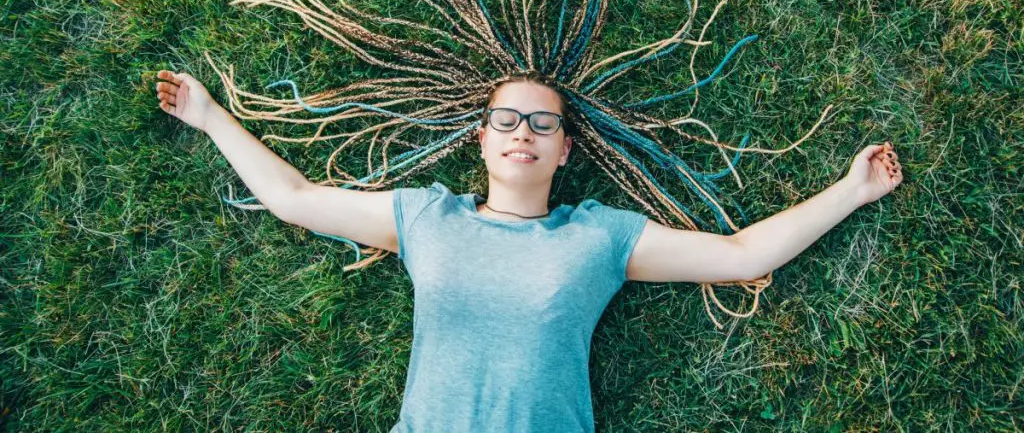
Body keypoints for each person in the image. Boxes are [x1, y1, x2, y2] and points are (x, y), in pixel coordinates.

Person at [154, 67, 903, 432]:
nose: (522, 132)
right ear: (480, 139)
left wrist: (850, 191)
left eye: (542, 124)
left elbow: (741, 256)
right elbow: (293, 200)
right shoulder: (426, 218)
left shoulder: (600, 236)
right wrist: (210, 116)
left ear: (566, 150)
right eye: (506, 119)